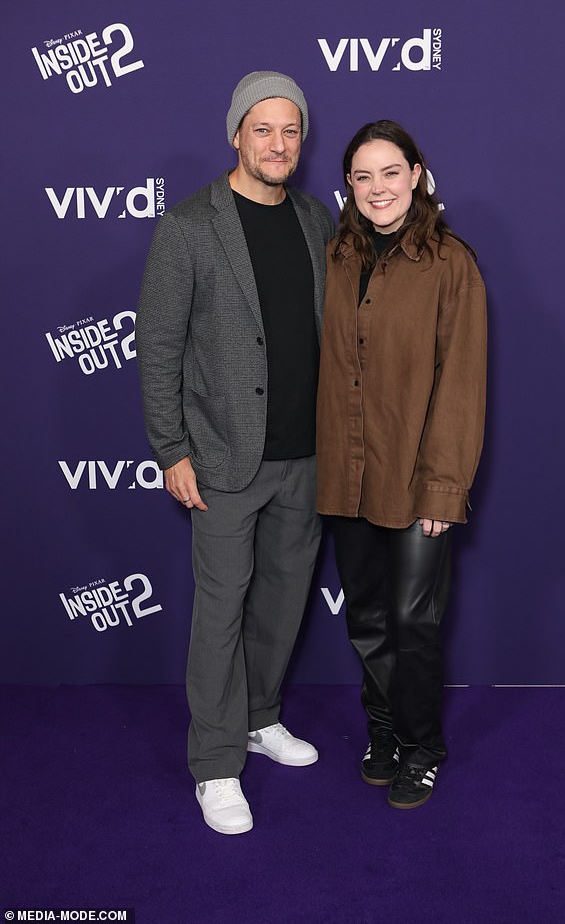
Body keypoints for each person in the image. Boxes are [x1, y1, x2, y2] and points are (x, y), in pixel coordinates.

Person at [136, 71, 334, 835]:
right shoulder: (190, 225)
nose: (278, 144)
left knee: (282, 604)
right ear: (236, 135)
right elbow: (157, 347)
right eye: (263, 130)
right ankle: (217, 762)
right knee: (220, 611)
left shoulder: (317, 219)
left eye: (290, 131)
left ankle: (258, 716)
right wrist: (170, 448)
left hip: (306, 457)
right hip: (220, 458)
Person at [316, 120, 486, 809]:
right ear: (349, 186)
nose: (378, 187)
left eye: (391, 172)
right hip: (346, 471)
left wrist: (444, 487)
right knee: (367, 618)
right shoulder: (334, 256)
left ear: (416, 176)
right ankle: (382, 732)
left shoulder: (450, 263)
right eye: (363, 176)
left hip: (418, 479)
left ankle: (422, 747)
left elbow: (461, 382)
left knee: (414, 621)